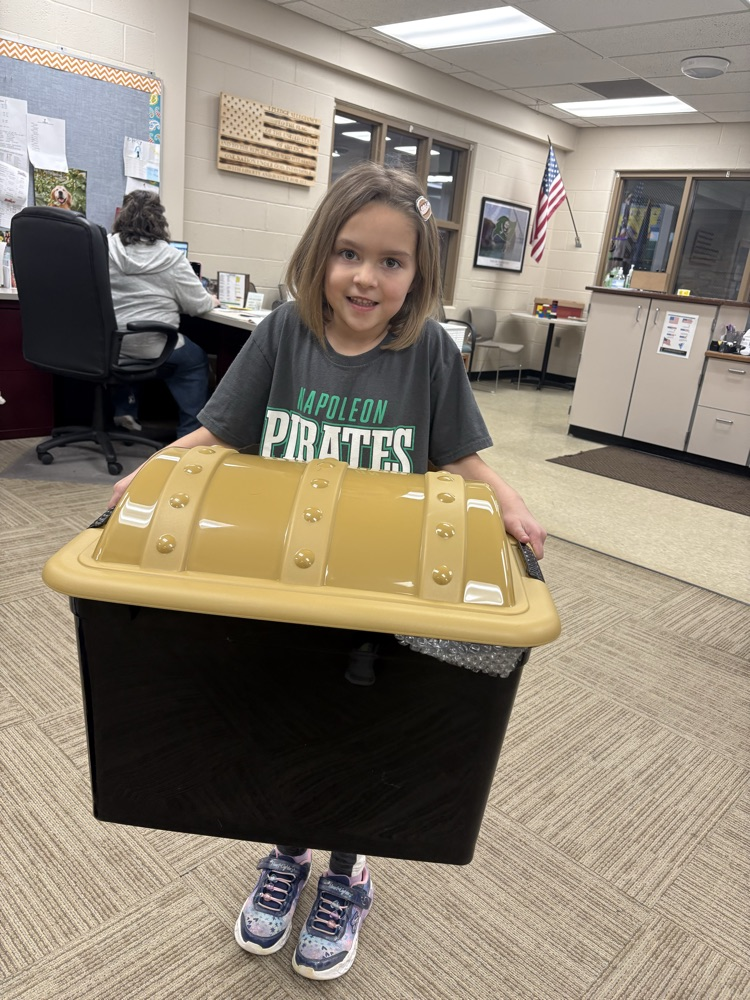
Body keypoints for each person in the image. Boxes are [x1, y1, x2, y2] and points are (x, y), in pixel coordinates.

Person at [107, 162, 546, 981]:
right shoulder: (282, 334)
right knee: (279, 718)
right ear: (320, 253)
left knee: (363, 733)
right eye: (349, 253)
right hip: (283, 579)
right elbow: (224, 433)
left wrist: (509, 503)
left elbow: (459, 459)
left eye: (391, 261)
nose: (366, 277)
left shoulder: (429, 357)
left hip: (381, 588)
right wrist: (157, 470)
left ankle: (347, 871)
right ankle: (285, 853)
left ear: (418, 274)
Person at [108, 190, 219, 435]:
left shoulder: (104, 247)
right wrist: (211, 299)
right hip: (155, 346)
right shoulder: (171, 257)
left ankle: (123, 410)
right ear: (159, 220)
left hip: (110, 344)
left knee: (127, 352)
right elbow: (197, 306)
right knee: (195, 360)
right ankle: (190, 433)